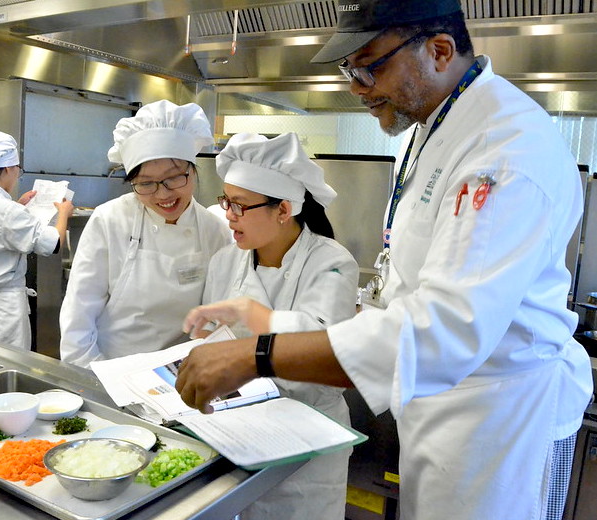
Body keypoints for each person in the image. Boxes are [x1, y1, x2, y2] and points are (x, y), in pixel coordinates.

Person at [175, 2, 594, 519]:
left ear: (439, 51)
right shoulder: (430, 125)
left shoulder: (504, 150)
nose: (356, 85)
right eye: (348, 70)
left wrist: (255, 356)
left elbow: (447, 329)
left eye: (369, 65)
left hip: (493, 418)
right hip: (437, 406)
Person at [183, 132, 359, 520]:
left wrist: (251, 316)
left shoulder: (332, 262)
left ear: (283, 209)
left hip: (308, 445)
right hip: (239, 433)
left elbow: (321, 351)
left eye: (240, 206)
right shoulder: (225, 261)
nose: (228, 214)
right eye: (226, 201)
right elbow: (218, 344)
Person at [59, 100, 231, 367]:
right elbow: (79, 312)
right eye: (146, 183)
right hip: (111, 366)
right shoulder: (109, 220)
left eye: (174, 178)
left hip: (181, 372)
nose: (163, 194)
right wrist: (89, 375)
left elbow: (216, 317)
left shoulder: (215, 230)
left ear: (193, 171)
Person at [0, 131, 73, 350]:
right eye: (18, 170)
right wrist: (64, 213)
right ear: (9, 168)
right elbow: (53, 243)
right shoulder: (4, 209)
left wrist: (19, 205)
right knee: (7, 370)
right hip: (2, 311)